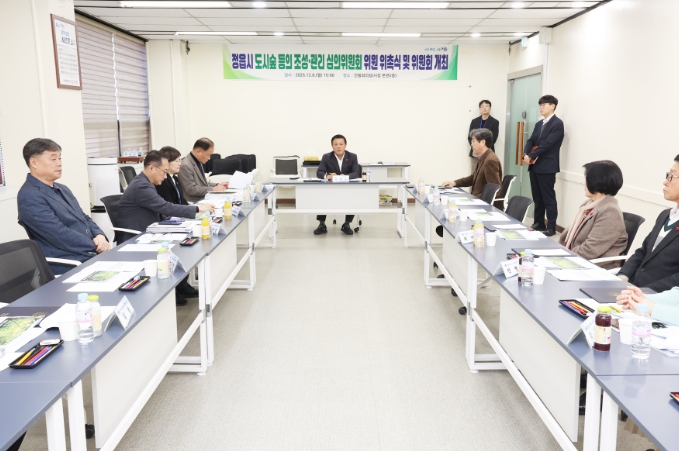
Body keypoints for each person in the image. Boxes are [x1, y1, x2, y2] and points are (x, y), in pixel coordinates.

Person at [17, 138, 110, 275]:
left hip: (88, 255)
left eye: (60, 158)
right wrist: (95, 245)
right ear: (34, 162)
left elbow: (83, 217)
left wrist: (100, 235)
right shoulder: (29, 195)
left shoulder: (62, 188)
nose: (59, 163)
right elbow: (58, 234)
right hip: (68, 263)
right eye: (53, 159)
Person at [617, 154, 679, 292]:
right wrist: (623, 276)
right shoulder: (665, 215)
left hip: (656, 297)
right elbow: (643, 251)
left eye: (671, 176)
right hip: (633, 289)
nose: (665, 182)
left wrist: (645, 291)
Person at [558, 161, 627, 269]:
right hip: (576, 259)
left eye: (587, 179)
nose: (583, 183)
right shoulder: (588, 205)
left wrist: (561, 256)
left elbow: (590, 251)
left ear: (597, 182)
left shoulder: (610, 212)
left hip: (594, 267)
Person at [437, 128, 502, 237]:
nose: (471, 144)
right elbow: (473, 178)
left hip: (483, 208)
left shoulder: (490, 160)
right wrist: (454, 183)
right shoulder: (484, 158)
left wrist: (473, 200)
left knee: (452, 216)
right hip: (477, 203)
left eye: (473, 141)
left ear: (483, 142)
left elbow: (495, 189)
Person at [156, 146, 199, 299]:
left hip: (179, 218)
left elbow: (182, 201)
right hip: (168, 222)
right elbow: (169, 207)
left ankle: (182, 283)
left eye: (180, 160)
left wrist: (195, 211)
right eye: (176, 161)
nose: (180, 163)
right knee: (183, 245)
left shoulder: (174, 178)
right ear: (166, 163)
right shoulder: (162, 182)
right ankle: (177, 287)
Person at [523, 94, 564, 237]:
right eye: (540, 105)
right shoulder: (539, 124)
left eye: (544, 105)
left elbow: (548, 144)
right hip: (534, 166)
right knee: (537, 197)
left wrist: (531, 155)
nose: (541, 107)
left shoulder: (557, 124)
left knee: (548, 198)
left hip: (547, 166)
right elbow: (531, 140)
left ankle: (551, 227)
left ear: (552, 106)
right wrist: (526, 153)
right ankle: (539, 222)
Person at [314, 134, 361, 236]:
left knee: (353, 198)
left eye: (341, 144)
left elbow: (356, 172)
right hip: (331, 188)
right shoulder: (326, 157)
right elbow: (319, 172)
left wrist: (346, 176)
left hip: (347, 188)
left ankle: (346, 224)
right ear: (332, 146)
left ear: (345, 145)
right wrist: (327, 176)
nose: (338, 146)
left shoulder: (352, 156)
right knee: (321, 196)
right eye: (336, 144)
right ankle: (322, 225)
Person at [179, 138, 229, 203]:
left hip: (203, 199)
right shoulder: (185, 165)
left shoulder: (197, 161)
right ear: (198, 152)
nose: (209, 158)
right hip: (193, 202)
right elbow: (191, 189)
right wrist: (213, 189)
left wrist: (217, 185)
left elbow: (202, 183)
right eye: (208, 155)